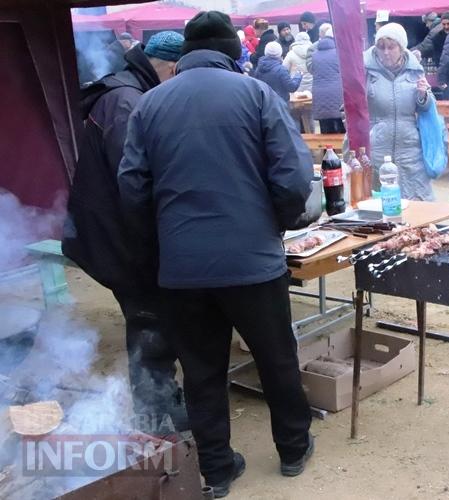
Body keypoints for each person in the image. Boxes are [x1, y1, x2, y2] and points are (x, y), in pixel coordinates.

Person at [117, 11, 314, 497]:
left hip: (183, 268)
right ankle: (292, 450)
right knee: (276, 359)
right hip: (253, 263)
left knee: (202, 371)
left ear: (185, 53)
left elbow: (132, 188)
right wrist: (277, 224)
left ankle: (218, 471)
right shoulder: (257, 94)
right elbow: (292, 178)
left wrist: (161, 243)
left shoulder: (150, 105)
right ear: (233, 51)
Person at [63, 31, 188, 435]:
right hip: (120, 237)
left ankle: (162, 405)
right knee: (149, 325)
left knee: (153, 323)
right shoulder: (126, 101)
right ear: (170, 67)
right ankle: (154, 420)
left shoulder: (128, 92)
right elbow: (133, 180)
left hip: (115, 232)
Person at [365, 23, 435, 201]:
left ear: (402, 48)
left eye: (391, 47)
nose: (386, 52)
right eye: (381, 47)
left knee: (418, 204)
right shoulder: (365, 71)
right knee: (380, 208)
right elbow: (350, 108)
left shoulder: (415, 70)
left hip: (409, 149)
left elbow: (427, 108)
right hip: (377, 149)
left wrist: (423, 95)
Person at [310, 27, 345, 133]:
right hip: (337, 92)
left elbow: (313, 70)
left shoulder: (315, 54)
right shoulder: (339, 53)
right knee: (342, 127)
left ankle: (327, 149)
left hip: (319, 93)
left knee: (325, 129)